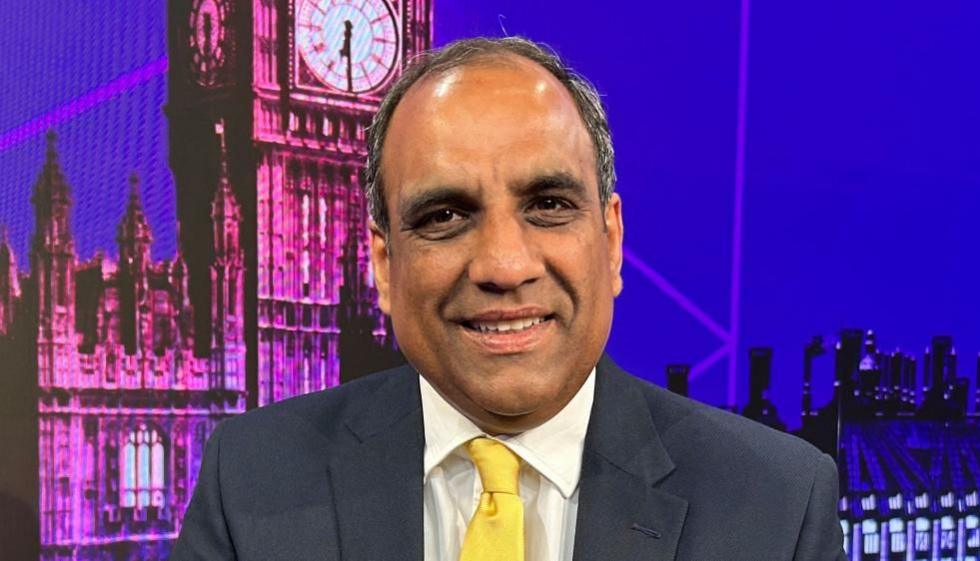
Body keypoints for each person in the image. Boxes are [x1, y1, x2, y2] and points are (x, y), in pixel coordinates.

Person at [172, 37, 846, 561]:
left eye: (548, 204)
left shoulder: (774, 502)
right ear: (383, 263)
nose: (503, 263)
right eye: (443, 215)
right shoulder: (251, 478)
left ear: (611, 239)